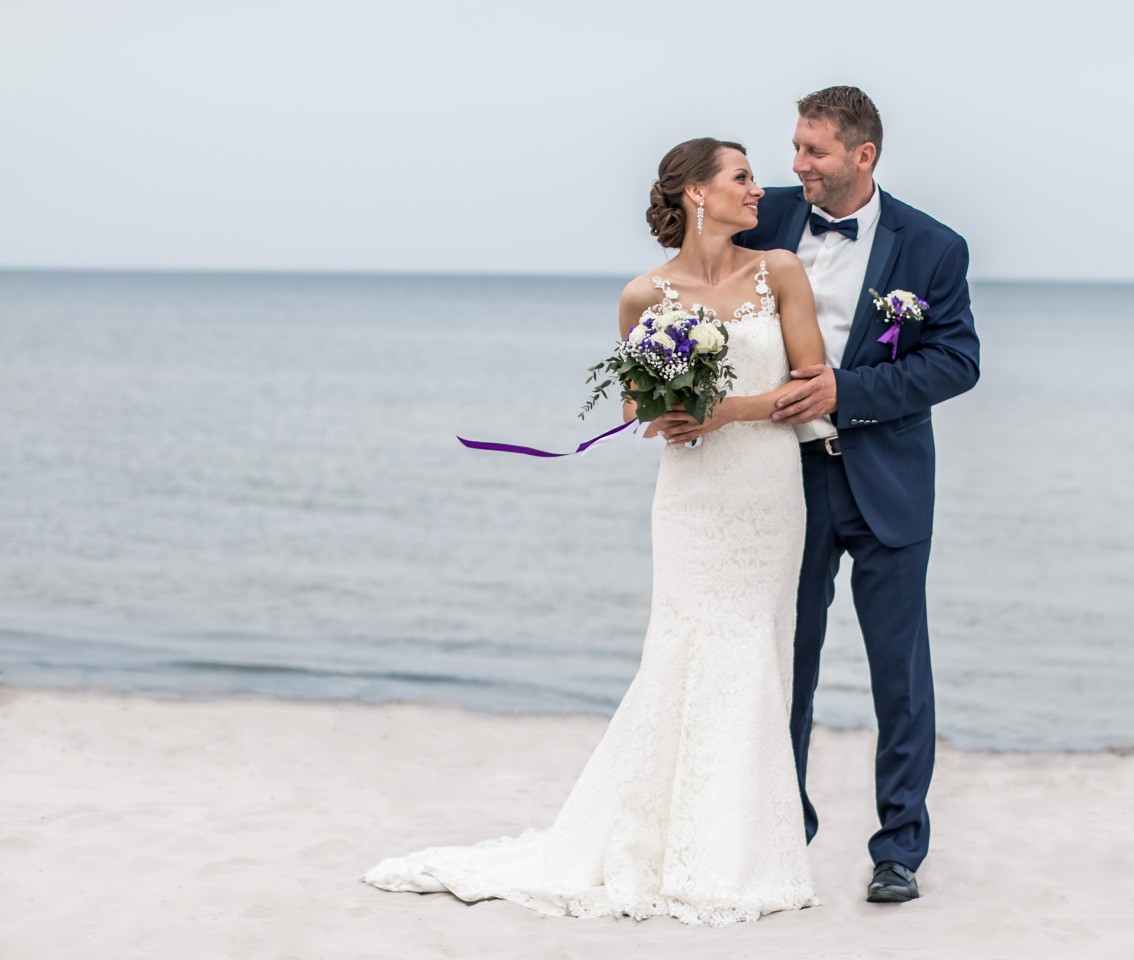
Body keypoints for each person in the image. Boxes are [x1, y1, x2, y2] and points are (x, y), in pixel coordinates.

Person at [362, 138, 827, 926]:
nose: (759, 189)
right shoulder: (643, 295)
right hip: (691, 498)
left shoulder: (779, 270)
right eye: (742, 177)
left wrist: (727, 410)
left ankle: (736, 846)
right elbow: (634, 408)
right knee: (682, 646)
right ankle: (664, 841)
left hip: (767, 489)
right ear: (696, 193)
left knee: (755, 645)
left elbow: (811, 386)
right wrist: (668, 407)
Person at [671, 86, 981, 903]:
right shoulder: (764, 213)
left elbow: (957, 362)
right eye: (795, 147)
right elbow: (693, 282)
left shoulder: (934, 248)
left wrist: (851, 390)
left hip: (889, 485)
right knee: (784, 662)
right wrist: (676, 380)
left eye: (814, 151)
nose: (796, 165)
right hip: (783, 480)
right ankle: (783, 827)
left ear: (862, 156)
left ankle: (898, 849)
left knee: (899, 676)